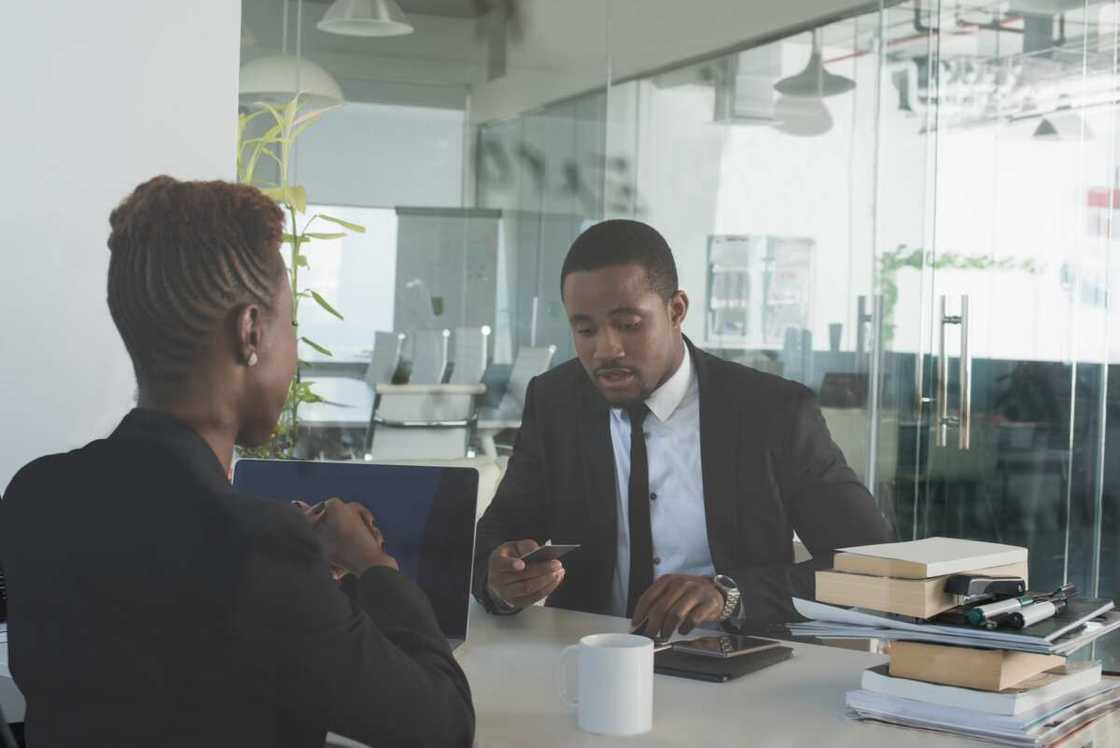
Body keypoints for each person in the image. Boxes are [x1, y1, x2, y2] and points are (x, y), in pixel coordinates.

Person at [0, 176, 474, 747]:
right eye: (291, 326)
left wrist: (285, 560)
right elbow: (442, 727)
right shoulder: (256, 549)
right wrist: (373, 564)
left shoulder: (35, 494)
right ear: (251, 331)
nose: (293, 350)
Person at [473, 219, 894, 639]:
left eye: (629, 324)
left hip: (739, 669)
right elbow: (495, 541)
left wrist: (730, 595)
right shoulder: (556, 401)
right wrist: (502, 581)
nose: (606, 349)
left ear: (676, 310)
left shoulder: (771, 412)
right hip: (589, 660)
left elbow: (873, 564)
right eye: (585, 330)